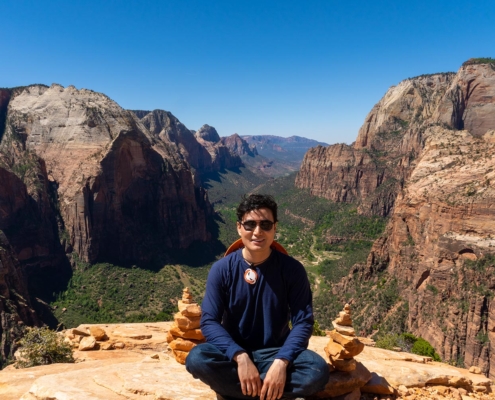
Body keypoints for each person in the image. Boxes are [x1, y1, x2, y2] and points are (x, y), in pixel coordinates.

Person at [186, 194, 329, 400]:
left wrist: (281, 362)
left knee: (317, 371)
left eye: (265, 225)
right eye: (250, 224)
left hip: (276, 351)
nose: (257, 232)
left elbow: (303, 322)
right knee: (197, 359)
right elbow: (209, 321)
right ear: (239, 227)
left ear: (275, 227)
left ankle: (243, 391)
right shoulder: (222, 269)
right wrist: (240, 357)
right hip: (234, 353)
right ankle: (269, 392)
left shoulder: (292, 270)